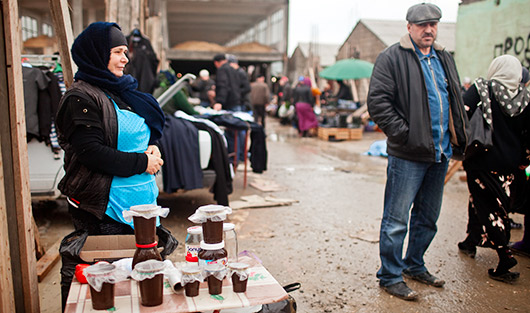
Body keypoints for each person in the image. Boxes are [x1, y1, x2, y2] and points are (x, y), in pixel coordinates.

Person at [367, 3, 467, 300]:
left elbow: (455, 98)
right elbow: (379, 104)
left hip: (440, 152)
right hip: (408, 154)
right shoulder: (391, 58)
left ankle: (414, 264)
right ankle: (390, 275)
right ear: (409, 26)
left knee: (428, 217)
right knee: (396, 219)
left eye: (434, 24)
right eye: (422, 25)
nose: (429, 29)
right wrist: (406, 135)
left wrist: (459, 138)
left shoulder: (444, 56)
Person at [55, 22, 166, 235]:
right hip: (103, 211)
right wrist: (142, 162)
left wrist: (153, 145)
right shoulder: (80, 98)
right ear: (96, 54)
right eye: (117, 52)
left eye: (125, 52)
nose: (125, 59)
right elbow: (91, 152)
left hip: (141, 203)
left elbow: (130, 132)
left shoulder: (121, 90)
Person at [458, 55, 530, 283]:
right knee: (479, 200)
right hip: (510, 164)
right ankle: (471, 240)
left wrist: (460, 144)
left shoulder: (482, 88)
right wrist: (524, 161)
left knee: (491, 207)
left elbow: (462, 113)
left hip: (482, 160)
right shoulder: (525, 97)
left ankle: (504, 257)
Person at [212, 53, 246, 162]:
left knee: (231, 132)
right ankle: (240, 156)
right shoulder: (234, 70)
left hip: (229, 104)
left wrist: (219, 101)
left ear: (216, 63)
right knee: (239, 131)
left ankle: (232, 159)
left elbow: (223, 85)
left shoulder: (222, 70)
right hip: (237, 102)